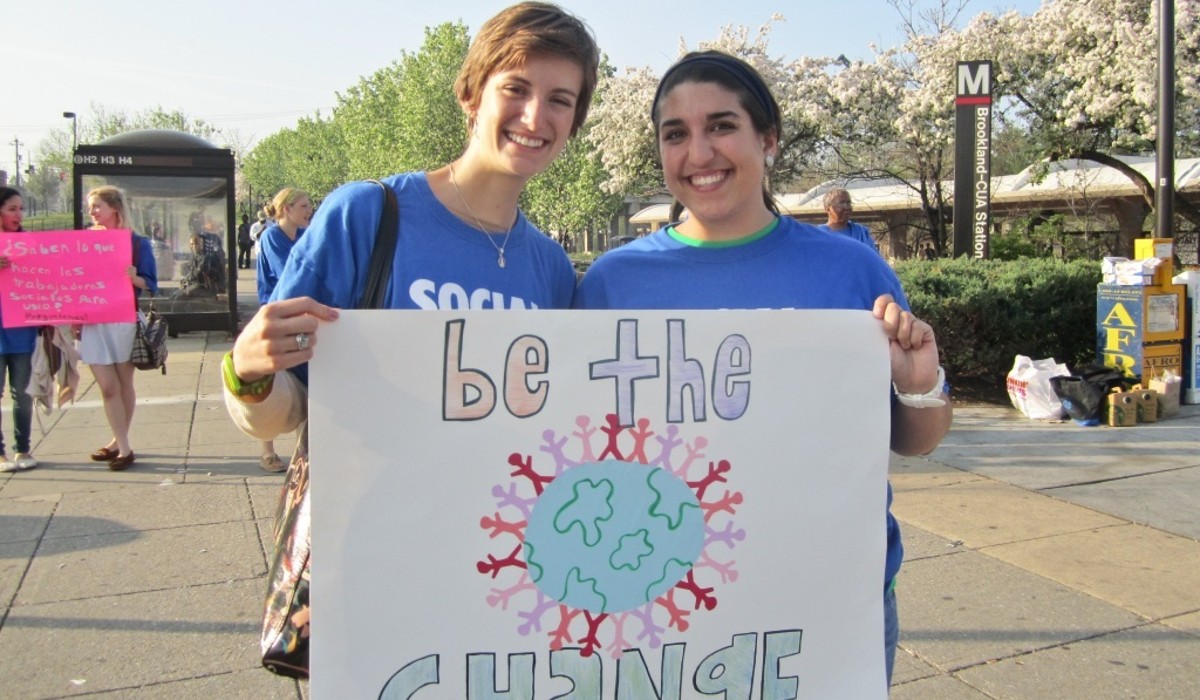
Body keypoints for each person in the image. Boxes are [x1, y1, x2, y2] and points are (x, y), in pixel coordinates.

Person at [572, 50, 952, 687]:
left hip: (831, 599)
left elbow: (913, 441)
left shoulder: (851, 272)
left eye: (721, 126)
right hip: (663, 602)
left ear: (768, 139)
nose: (699, 153)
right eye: (676, 134)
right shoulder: (614, 282)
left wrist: (920, 387)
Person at [223, 2, 598, 468]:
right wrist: (245, 371)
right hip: (365, 529)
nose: (535, 116)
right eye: (515, 89)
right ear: (471, 95)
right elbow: (289, 405)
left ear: (574, 122)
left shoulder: (553, 269)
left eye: (560, 99)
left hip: (491, 531)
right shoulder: (366, 216)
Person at [76, 186, 158, 471]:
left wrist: (134, 277)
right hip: (94, 321)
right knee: (108, 387)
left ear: (115, 209)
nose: (93, 212)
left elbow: (151, 284)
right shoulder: (84, 241)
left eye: (97, 206)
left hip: (123, 321)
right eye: (91, 207)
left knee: (124, 385)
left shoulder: (137, 243)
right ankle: (123, 446)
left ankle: (119, 443)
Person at [252, 188, 313, 472]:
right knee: (273, 379)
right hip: (277, 319)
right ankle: (267, 450)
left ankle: (305, 445)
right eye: (303, 205)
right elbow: (292, 272)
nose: (309, 210)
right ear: (286, 209)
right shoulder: (272, 237)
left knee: (304, 368)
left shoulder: (302, 236)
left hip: (297, 318)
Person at [0, 187, 40, 472]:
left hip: (22, 332)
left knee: (23, 393)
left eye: (21, 209)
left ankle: (22, 448)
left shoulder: (29, 243)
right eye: (12, 208)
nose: (18, 214)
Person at [818, 187, 881, 253]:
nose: (846, 207)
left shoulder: (860, 233)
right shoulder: (818, 234)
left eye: (848, 203)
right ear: (827, 209)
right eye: (841, 203)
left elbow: (873, 258)